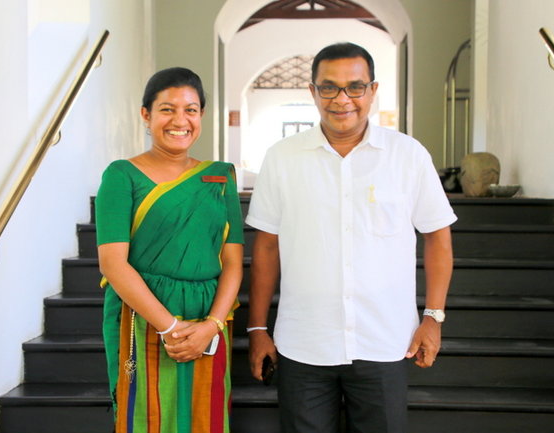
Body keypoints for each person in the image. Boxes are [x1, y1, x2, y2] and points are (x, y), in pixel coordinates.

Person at [246, 43, 456, 433]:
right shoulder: (282, 158)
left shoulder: (407, 156)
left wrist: (433, 317)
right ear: (312, 92)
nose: (342, 99)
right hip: (304, 343)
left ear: (372, 91)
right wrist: (257, 329)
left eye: (355, 87)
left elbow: (438, 237)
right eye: (329, 87)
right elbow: (266, 247)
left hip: (385, 340)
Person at [96, 67, 244, 433]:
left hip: (208, 318)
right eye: (167, 109)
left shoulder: (220, 177)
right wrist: (171, 328)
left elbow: (233, 263)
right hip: (142, 315)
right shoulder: (121, 175)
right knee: (145, 417)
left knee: (205, 418)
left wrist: (211, 325)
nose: (180, 120)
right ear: (146, 115)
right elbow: (113, 264)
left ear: (201, 115)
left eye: (190, 110)